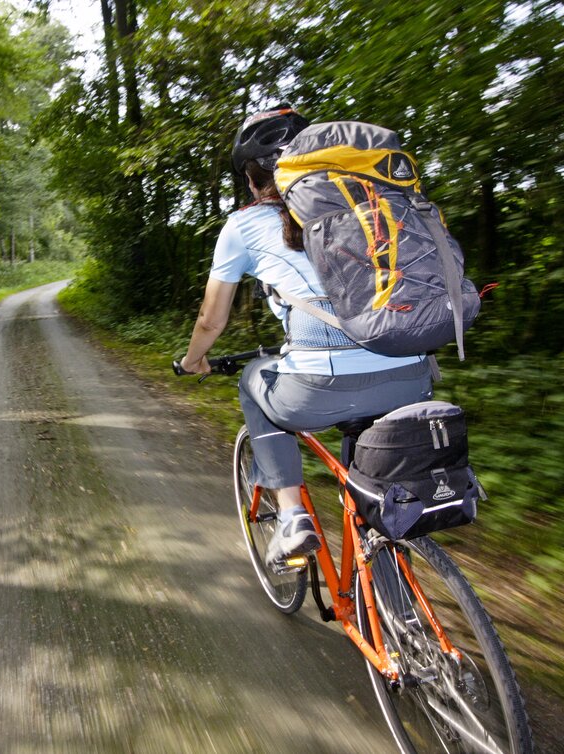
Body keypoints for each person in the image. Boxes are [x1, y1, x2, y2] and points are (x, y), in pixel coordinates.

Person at [178, 107, 434, 564]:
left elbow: (210, 320)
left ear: (255, 180)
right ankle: (396, 600)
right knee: (375, 493)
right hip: (413, 375)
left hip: (320, 387)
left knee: (253, 381)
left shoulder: (243, 225)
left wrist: (195, 359)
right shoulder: (372, 203)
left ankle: (293, 516)